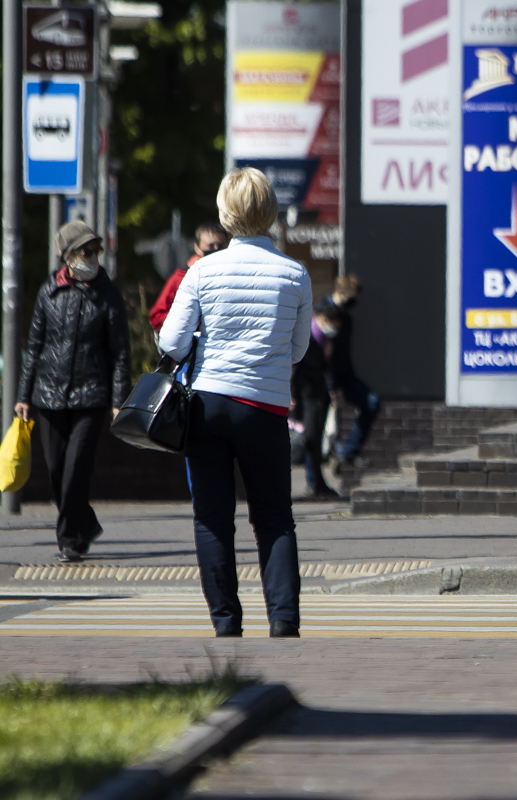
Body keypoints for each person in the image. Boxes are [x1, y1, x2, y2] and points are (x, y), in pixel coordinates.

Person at [159, 167, 312, 639]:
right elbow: (299, 349)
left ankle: (226, 623)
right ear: (269, 211)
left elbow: (171, 341)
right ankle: (283, 620)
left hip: (207, 405)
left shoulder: (202, 270)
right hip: (265, 409)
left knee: (212, 517)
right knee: (274, 518)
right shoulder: (295, 273)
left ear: (226, 214)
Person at [15, 221, 132, 563]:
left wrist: (117, 399)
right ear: (67, 256)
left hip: (91, 394)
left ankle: (70, 540)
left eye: (95, 251)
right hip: (48, 393)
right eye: (85, 252)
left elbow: (120, 352)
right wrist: (23, 395)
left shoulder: (107, 294)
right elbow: (34, 346)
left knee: (76, 467)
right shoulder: (48, 291)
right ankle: (86, 522)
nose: (92, 258)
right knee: (54, 468)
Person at [318, 275, 379, 468]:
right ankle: (316, 476)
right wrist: (332, 386)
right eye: (351, 297)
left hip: (344, 376)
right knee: (319, 425)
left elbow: (344, 353)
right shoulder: (323, 312)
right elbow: (323, 355)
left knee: (371, 402)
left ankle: (348, 451)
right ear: (342, 292)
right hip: (323, 379)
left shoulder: (347, 318)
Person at [292, 306, 341, 499]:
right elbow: (294, 365)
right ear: (321, 317)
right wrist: (291, 394)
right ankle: (314, 482)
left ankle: (317, 482)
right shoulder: (306, 335)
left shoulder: (323, 339)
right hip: (306, 394)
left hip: (317, 392)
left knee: (316, 437)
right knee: (310, 437)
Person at [149, 221, 230, 332]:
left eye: (220, 246)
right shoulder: (181, 279)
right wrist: (188, 323)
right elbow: (157, 316)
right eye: (210, 246)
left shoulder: (233, 279)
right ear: (197, 248)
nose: (216, 249)